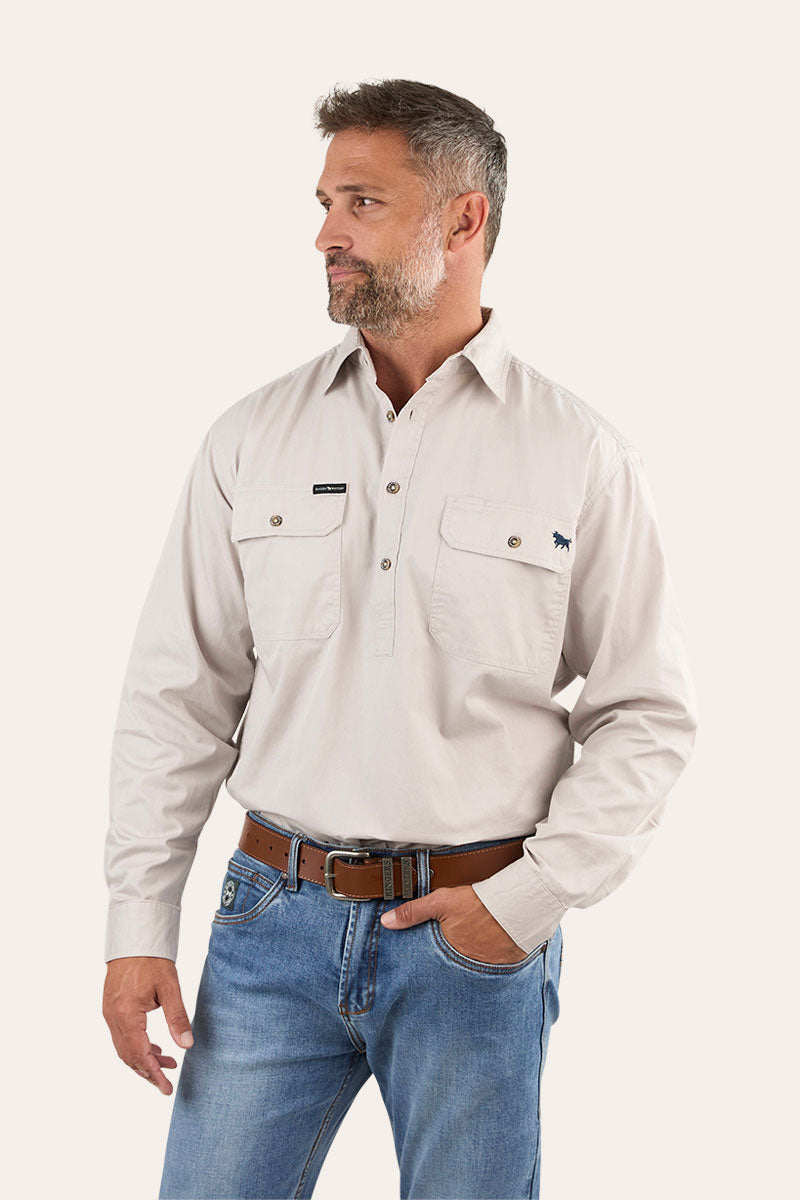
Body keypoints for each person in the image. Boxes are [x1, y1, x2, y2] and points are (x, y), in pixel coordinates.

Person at [102, 78, 698, 1200]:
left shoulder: (577, 453)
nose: (326, 233)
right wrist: (137, 923)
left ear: (464, 219)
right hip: (270, 924)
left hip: (472, 938)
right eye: (325, 203)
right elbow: (176, 695)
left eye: (363, 202)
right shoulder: (250, 437)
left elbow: (645, 712)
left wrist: (526, 903)